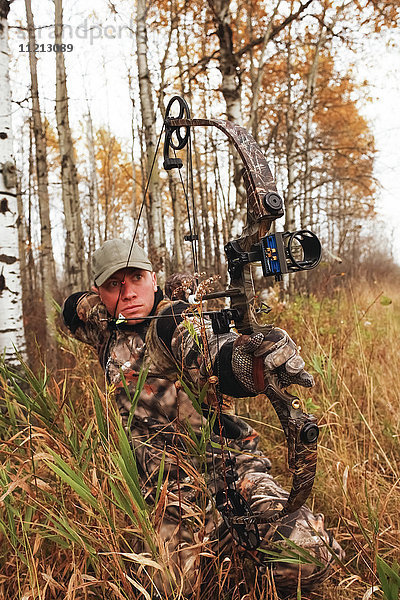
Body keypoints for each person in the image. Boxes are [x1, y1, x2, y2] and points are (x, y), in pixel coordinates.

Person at [62, 238, 343, 597]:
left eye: (136, 278)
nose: (128, 293)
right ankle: (221, 552)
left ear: (153, 278)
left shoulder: (172, 319)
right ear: (98, 291)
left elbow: (210, 354)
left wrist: (247, 363)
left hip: (227, 467)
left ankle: (257, 569)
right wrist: (84, 302)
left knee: (307, 553)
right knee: (166, 588)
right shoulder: (105, 325)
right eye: (114, 284)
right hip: (167, 485)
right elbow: (73, 310)